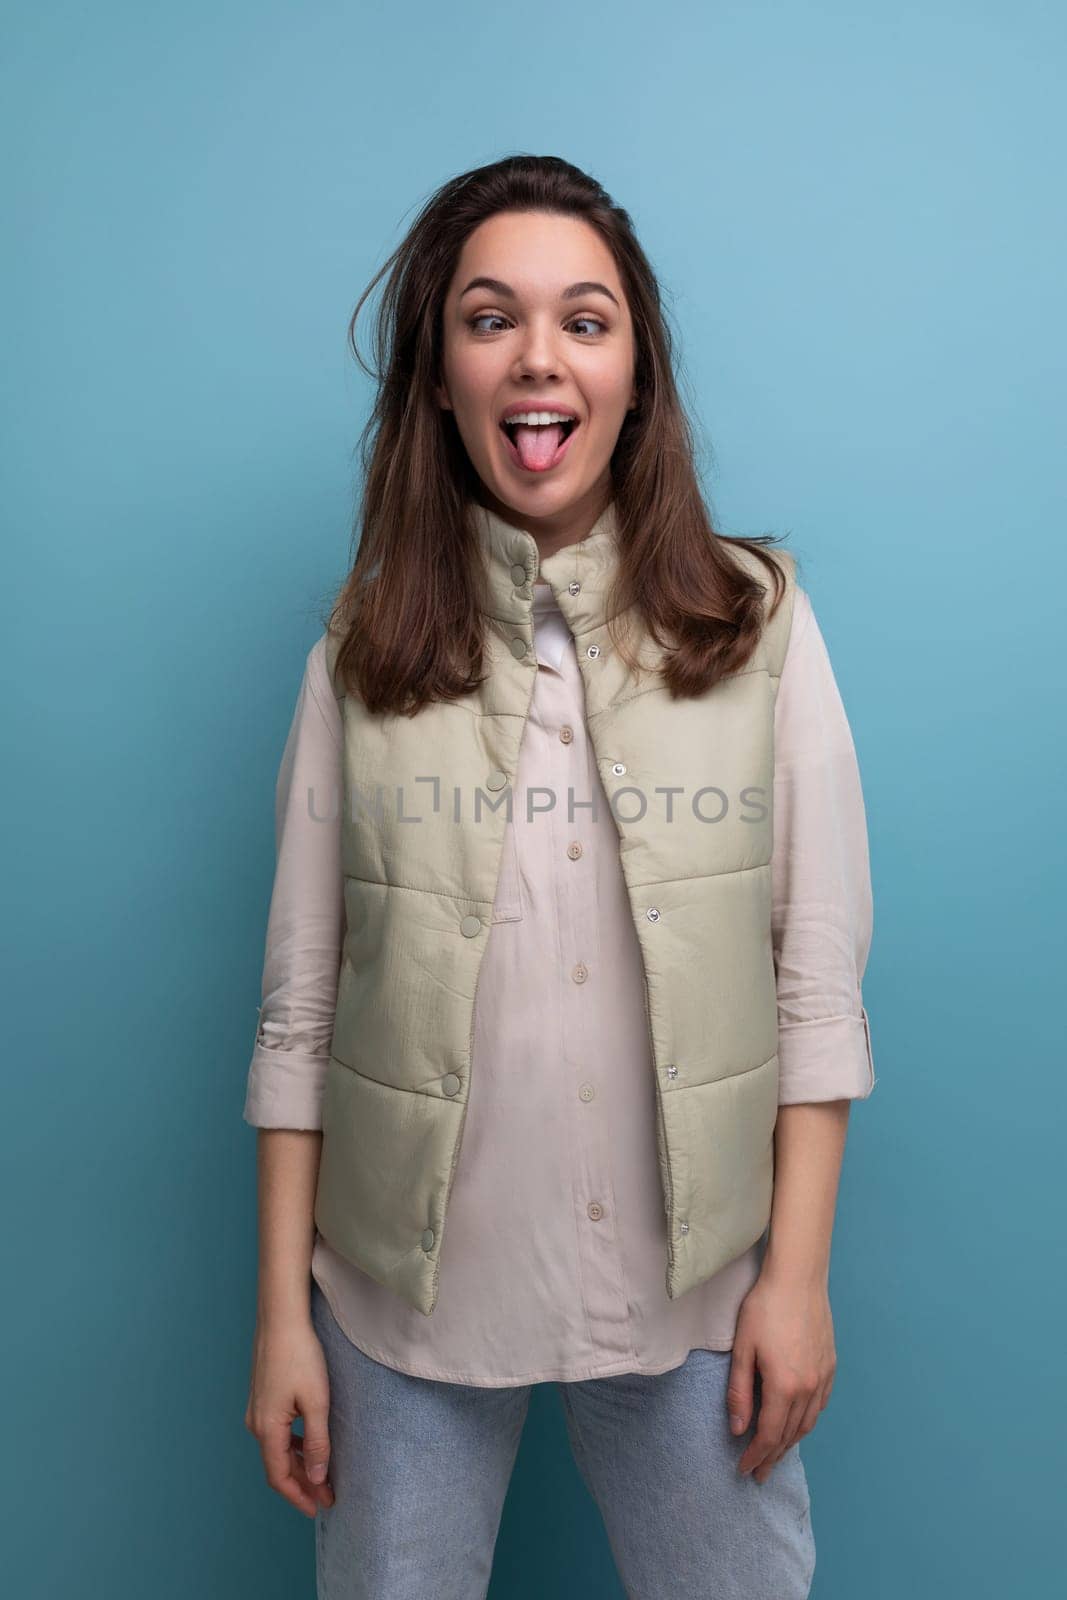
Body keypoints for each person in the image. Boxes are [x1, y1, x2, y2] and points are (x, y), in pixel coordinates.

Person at [242, 154, 877, 1600]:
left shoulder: (759, 623)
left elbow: (817, 976)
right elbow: (298, 1010)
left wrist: (797, 1276)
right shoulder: (359, 653)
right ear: (438, 374)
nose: (540, 357)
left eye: (585, 320)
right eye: (489, 318)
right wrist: (284, 1313)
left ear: (637, 373)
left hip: (699, 1292)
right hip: (401, 1309)